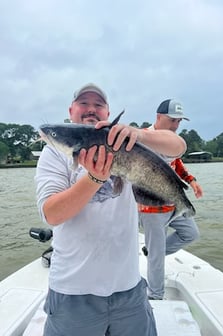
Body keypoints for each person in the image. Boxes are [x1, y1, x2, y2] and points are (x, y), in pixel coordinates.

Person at [35, 84, 187, 336]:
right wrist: (93, 178)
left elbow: (178, 145)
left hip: (129, 289)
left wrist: (138, 135)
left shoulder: (128, 143)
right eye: (84, 103)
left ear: (108, 112)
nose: (91, 109)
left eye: (98, 104)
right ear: (71, 110)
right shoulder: (54, 154)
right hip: (73, 291)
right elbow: (52, 214)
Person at [138, 99, 203, 300]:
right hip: (151, 209)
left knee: (191, 233)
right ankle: (156, 296)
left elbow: (177, 163)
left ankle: (152, 250)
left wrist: (191, 181)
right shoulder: (142, 139)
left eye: (179, 122)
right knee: (157, 259)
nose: (176, 126)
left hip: (173, 204)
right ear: (158, 117)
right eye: (172, 120)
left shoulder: (171, 142)